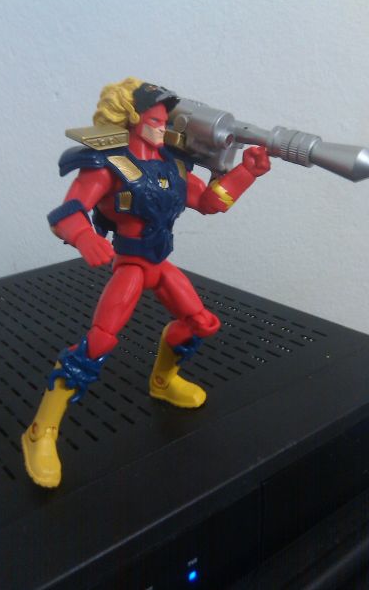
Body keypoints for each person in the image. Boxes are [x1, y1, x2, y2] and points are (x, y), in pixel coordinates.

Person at [21, 77, 271, 487]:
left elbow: (209, 202)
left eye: (164, 120)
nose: (163, 126)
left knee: (200, 323)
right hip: (131, 266)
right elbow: (66, 212)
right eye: (155, 120)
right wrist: (84, 237)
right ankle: (40, 431)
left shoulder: (173, 164)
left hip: (159, 263)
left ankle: (163, 381)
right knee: (98, 343)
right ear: (132, 120)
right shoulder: (108, 164)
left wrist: (247, 172)